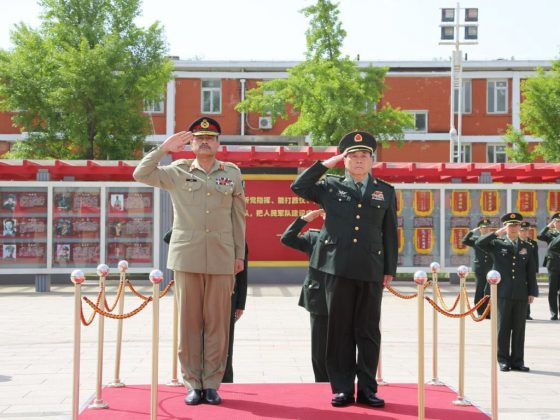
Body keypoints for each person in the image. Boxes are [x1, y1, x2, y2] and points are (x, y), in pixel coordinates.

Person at [133, 116, 246, 405]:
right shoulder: (175, 171)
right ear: (191, 144)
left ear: (219, 143)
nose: (204, 141)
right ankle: (192, 382)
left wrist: (239, 255)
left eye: (210, 138)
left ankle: (212, 383)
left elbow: (238, 218)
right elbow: (141, 174)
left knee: (218, 324)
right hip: (187, 256)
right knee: (189, 322)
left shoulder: (231, 174)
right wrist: (163, 148)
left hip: (222, 257)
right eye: (198, 138)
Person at [291, 131, 398, 408]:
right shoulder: (330, 186)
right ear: (345, 159)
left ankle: (367, 389)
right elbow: (299, 186)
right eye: (353, 156)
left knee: (368, 331)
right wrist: (328, 163)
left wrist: (390, 269)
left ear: (372, 160)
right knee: (338, 331)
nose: (359, 160)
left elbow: (389, 232)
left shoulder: (385, 191)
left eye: (364, 155)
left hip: (371, 268)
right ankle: (341, 388)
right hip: (335, 267)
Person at [476, 212, 538, 372]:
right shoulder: (497, 244)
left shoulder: (527, 247)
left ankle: (517, 361)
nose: (514, 228)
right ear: (506, 226)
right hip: (502, 291)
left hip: (521, 292)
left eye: (516, 225)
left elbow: (530, 271)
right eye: (510, 225)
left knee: (519, 328)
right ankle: (502, 359)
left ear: (519, 227)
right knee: (503, 327)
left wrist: (532, 291)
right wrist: (497, 233)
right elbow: (479, 243)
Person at [280, 209, 329, 382]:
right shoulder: (313, 237)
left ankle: (343, 383)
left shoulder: (351, 237)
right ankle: (322, 382)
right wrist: (305, 219)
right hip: (320, 297)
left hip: (344, 295)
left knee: (342, 346)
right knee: (319, 347)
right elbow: (287, 238)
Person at [222, 242, 248, 383]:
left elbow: (243, 275)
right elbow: (168, 238)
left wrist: (240, 304)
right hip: (202, 293)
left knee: (226, 343)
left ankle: (225, 380)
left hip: (229, 296)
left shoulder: (238, 240)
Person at [461, 218, 494, 317]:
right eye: (483, 228)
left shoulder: (493, 239)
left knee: (489, 290)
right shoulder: (475, 239)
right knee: (480, 288)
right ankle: (479, 310)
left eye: (487, 227)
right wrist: (471, 232)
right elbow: (464, 241)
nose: (486, 229)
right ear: (480, 229)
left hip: (490, 268)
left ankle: (489, 311)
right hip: (479, 268)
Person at [537, 213, 560, 320]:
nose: (559, 224)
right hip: (554, 265)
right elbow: (540, 236)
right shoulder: (551, 234)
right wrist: (548, 226)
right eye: (557, 221)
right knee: (553, 290)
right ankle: (554, 313)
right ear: (554, 223)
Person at [520, 221, 539, 320]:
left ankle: (527, 313)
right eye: (522, 230)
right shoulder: (517, 243)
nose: (524, 232)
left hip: (529, 271)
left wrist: (535, 270)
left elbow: (535, 258)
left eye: (526, 230)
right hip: (520, 270)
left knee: (529, 291)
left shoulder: (533, 243)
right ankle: (521, 313)